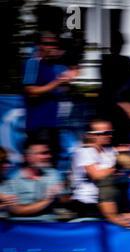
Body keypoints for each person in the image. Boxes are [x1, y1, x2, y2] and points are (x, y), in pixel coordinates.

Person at [22, 31, 78, 168]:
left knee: (51, 164)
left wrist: (68, 80)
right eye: (48, 43)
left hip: (53, 124)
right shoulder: (32, 62)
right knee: (38, 165)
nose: (52, 47)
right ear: (39, 45)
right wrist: (58, 82)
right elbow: (31, 91)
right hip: (38, 125)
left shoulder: (53, 66)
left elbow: (60, 88)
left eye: (54, 44)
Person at [4, 139, 64, 218]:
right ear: (27, 157)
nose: (48, 156)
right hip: (20, 225)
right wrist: (48, 199)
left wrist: (66, 188)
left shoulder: (53, 174)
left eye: (48, 153)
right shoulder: (11, 178)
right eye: (43, 153)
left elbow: (64, 200)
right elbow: (16, 210)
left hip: (49, 225)